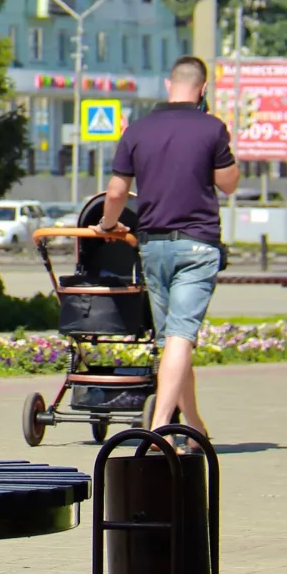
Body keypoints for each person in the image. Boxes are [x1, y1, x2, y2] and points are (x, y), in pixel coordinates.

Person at [95, 56, 239, 446]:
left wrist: (108, 226)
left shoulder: (137, 130)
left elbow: (116, 193)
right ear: (203, 90)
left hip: (153, 245)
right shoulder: (212, 128)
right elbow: (229, 183)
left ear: (166, 84)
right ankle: (160, 427)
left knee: (173, 339)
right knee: (180, 337)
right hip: (198, 244)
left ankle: (194, 427)